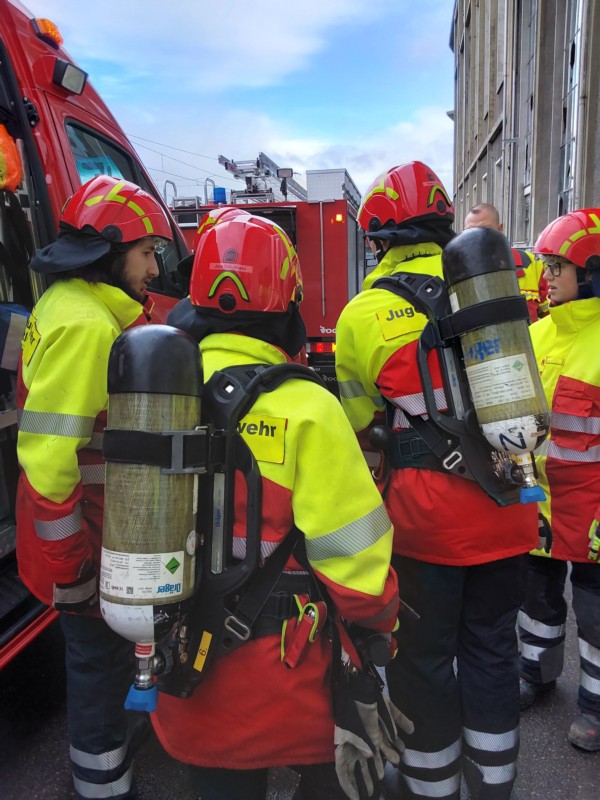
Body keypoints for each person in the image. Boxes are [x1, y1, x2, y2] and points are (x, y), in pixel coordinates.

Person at [153, 212, 407, 800]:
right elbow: (356, 565)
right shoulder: (310, 408)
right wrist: (382, 627)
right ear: (288, 303)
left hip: (185, 669)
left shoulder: (158, 394)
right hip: (291, 676)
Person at [335, 162, 538, 800]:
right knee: (493, 651)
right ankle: (494, 783)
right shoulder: (490, 291)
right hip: (508, 505)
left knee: (422, 659)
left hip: (425, 525)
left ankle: (431, 784)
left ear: (378, 240)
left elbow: (359, 424)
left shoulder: (363, 313)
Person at [16, 175, 173, 800]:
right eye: (147, 253)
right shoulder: (89, 327)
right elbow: (51, 462)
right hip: (83, 538)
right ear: (109, 252)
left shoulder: (61, 301)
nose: (154, 269)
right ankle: (102, 785)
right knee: (96, 667)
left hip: (83, 530)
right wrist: (72, 565)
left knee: (101, 662)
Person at [517, 208, 600, 751]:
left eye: (556, 266)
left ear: (590, 271)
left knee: (596, 614)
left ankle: (595, 705)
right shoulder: (537, 333)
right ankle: (536, 674)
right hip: (539, 500)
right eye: (545, 265)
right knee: (536, 599)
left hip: (593, 511)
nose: (545, 276)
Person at [464, 202, 549, 321]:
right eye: (469, 232)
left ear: (500, 229)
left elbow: (551, 317)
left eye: (485, 230)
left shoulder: (531, 264)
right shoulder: (459, 269)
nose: (477, 237)